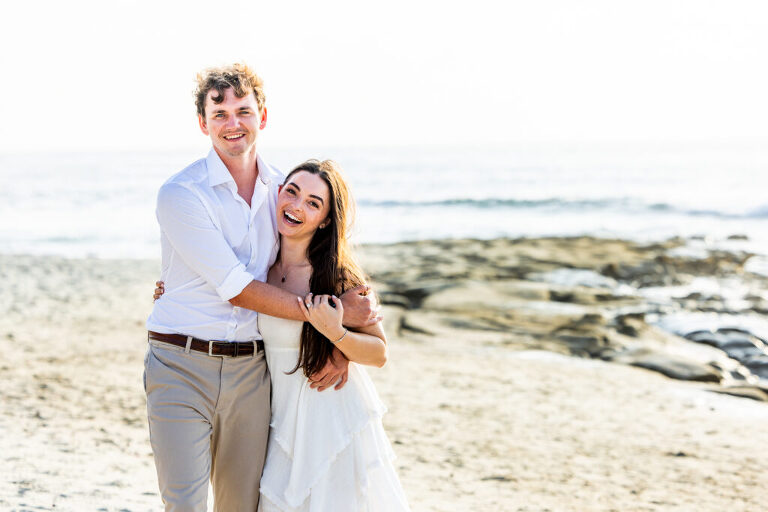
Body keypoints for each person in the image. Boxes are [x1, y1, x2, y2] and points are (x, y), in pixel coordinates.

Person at [145, 63, 378, 512]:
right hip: (179, 363)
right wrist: (335, 316)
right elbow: (236, 287)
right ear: (203, 124)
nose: (233, 123)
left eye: (243, 111)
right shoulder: (181, 194)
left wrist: (338, 341)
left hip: (254, 373)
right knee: (185, 503)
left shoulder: (283, 193)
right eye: (220, 113)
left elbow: (324, 258)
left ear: (263, 116)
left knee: (241, 506)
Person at [156, 160, 410, 511]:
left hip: (329, 413)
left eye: (313, 203)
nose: (296, 206)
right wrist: (174, 291)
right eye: (292, 192)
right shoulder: (261, 268)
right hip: (279, 419)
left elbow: (379, 353)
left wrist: (338, 339)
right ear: (278, 194)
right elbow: (225, 286)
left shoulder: (336, 275)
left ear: (324, 219)